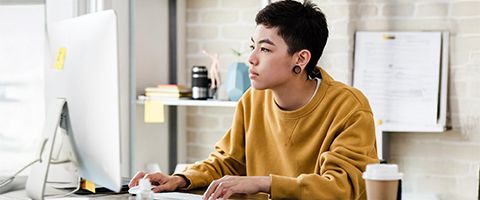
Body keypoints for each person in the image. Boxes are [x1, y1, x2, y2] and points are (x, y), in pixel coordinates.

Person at [129, 0, 378, 199]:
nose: (252, 58)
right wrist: (182, 178)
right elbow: (228, 161)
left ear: (300, 60)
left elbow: (340, 188)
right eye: (253, 47)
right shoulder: (252, 99)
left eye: (266, 49)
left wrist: (262, 182)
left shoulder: (349, 107)